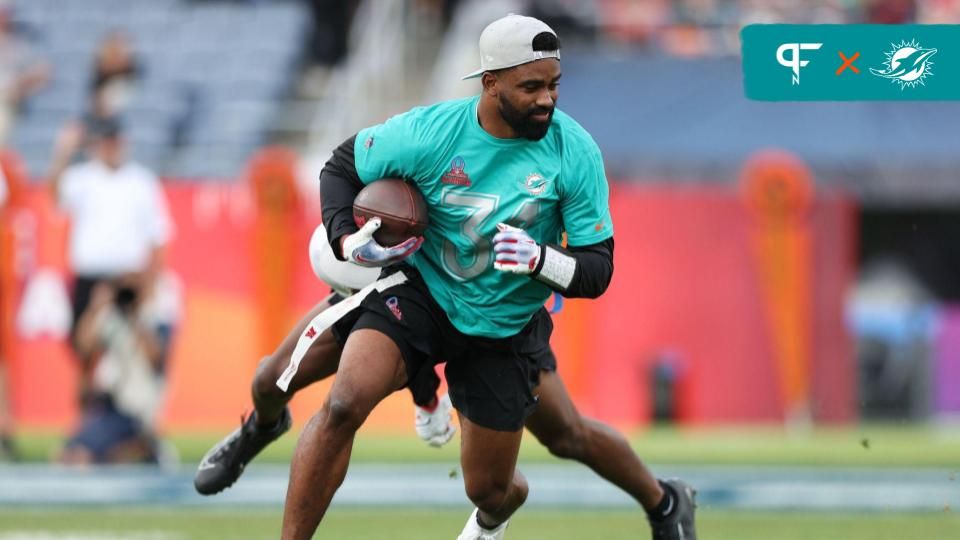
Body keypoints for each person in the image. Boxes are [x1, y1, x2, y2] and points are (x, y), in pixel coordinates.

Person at [196, 14, 696, 540]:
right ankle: (262, 432)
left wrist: (539, 258)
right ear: (490, 83)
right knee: (332, 399)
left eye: (553, 85)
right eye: (531, 86)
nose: (546, 99)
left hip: (504, 322)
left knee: (507, 477)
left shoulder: (574, 152)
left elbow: (597, 270)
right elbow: (341, 168)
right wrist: (346, 238)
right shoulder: (430, 133)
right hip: (420, 291)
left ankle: (660, 501)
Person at [48, 116, 173, 406]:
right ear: (96, 145)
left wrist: (151, 281)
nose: (111, 147)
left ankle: (135, 414)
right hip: (90, 276)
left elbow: (159, 236)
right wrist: (63, 152)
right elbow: (54, 196)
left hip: (128, 277)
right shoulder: (82, 177)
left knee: (136, 349)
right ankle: (87, 416)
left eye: (115, 140)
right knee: (84, 351)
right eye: (106, 141)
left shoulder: (141, 182)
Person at [57, 271, 179, 465]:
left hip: (136, 410)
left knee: (83, 457)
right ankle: (142, 450)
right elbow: (82, 346)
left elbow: (155, 357)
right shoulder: (111, 316)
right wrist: (97, 306)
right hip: (109, 405)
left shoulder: (155, 315)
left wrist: (137, 314)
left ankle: (143, 448)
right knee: (69, 455)